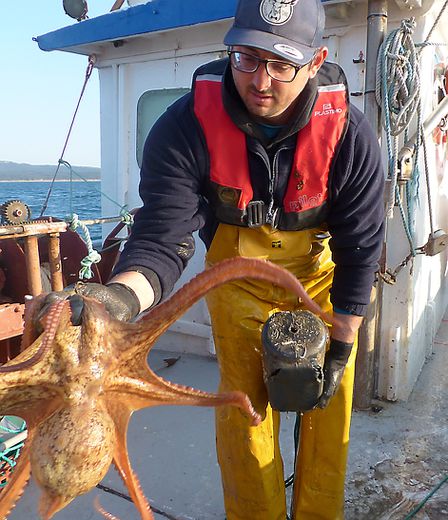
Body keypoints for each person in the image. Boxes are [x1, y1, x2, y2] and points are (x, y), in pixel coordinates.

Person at [48, 0, 385, 518]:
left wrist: (341, 343)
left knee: (327, 417)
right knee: (243, 417)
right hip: (236, 287)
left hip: (320, 286)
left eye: (281, 64)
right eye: (247, 58)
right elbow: (163, 239)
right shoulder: (183, 128)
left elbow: (360, 247)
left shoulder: (351, 136)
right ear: (228, 49)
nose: (262, 81)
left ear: (315, 63)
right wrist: (117, 297)